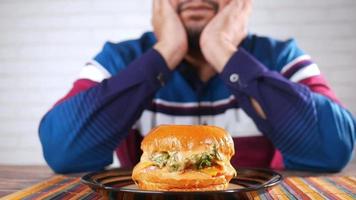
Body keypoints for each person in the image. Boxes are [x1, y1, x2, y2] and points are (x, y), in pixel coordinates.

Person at [39, 0, 355, 173]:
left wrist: (221, 49)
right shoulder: (121, 58)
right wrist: (167, 52)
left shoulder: (281, 57)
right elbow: (63, 151)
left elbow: (333, 149)